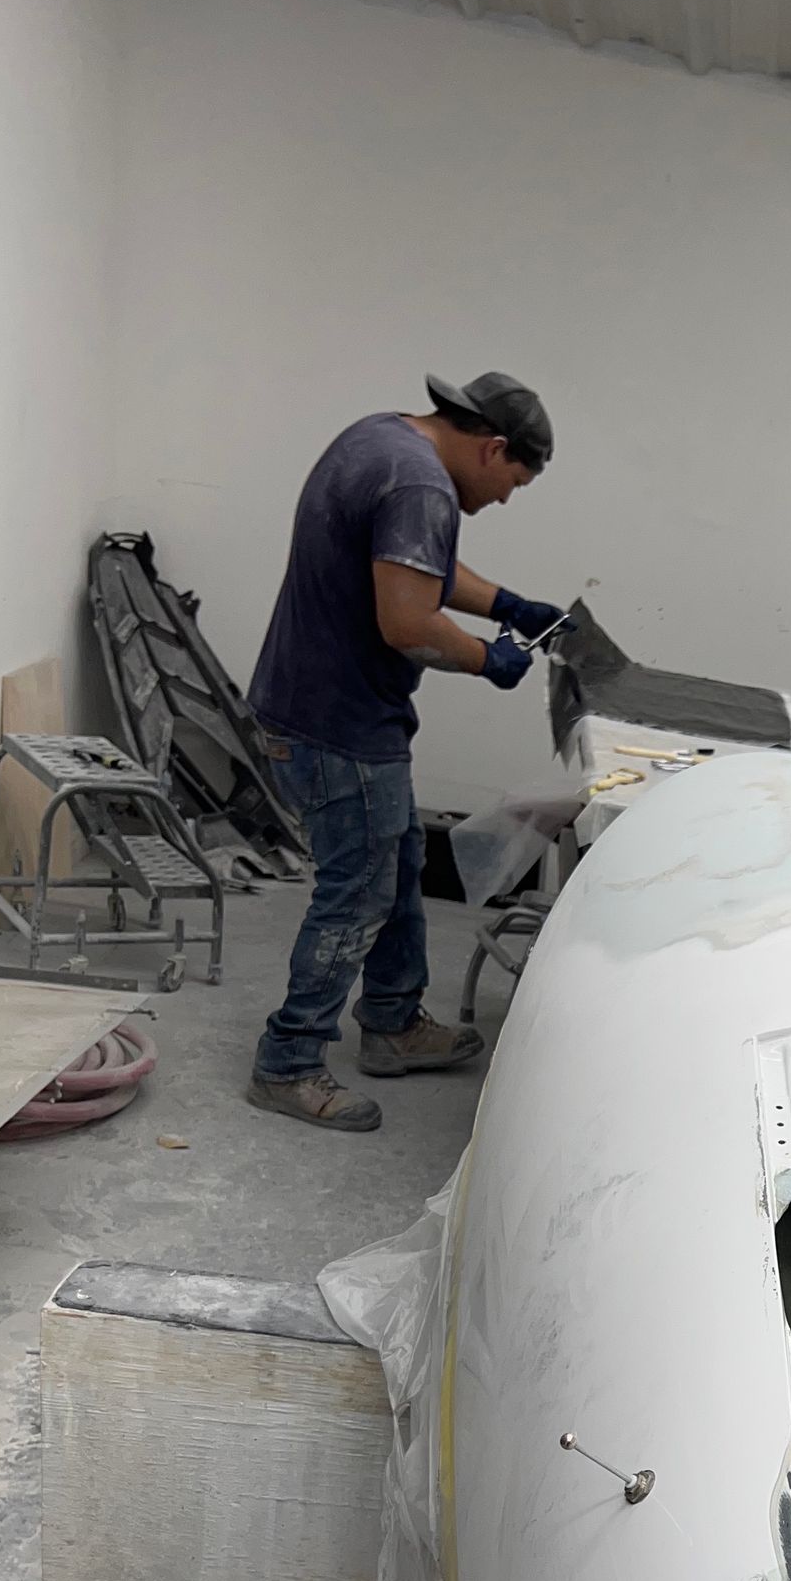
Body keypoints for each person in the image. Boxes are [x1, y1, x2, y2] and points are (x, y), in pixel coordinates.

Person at [246, 371, 568, 1132]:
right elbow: (408, 620)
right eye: (513, 481)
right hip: (338, 723)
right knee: (357, 890)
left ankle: (393, 1023)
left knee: (394, 867)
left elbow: (414, 563)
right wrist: (487, 657)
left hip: (322, 707)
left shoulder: (383, 438)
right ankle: (288, 1062)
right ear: (493, 447)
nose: (504, 499)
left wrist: (507, 605)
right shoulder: (421, 485)